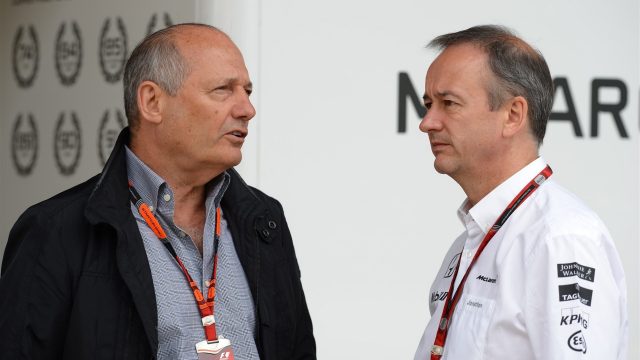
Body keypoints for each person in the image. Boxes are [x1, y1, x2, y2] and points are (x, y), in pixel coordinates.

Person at [0, 23, 316, 360]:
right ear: (152, 101)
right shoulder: (56, 230)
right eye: (223, 90)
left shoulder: (265, 221)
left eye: (247, 92)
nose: (246, 110)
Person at [413, 25, 627, 360]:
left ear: (513, 115)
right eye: (428, 104)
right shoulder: (470, 241)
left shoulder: (560, 237)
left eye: (448, 103)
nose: (427, 122)